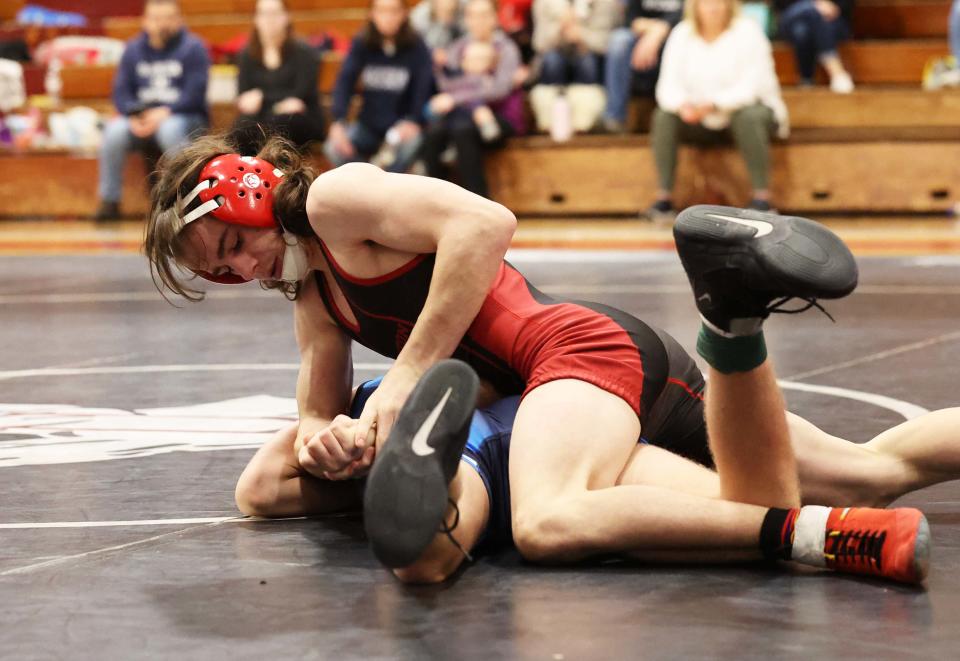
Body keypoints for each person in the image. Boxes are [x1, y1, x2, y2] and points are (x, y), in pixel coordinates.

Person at [145, 134, 958, 587]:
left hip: (570, 358)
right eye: (217, 270)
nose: (238, 268)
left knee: (545, 517)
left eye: (230, 242)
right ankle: (828, 510)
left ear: (250, 194)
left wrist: (407, 368)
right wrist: (326, 433)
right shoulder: (315, 296)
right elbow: (316, 410)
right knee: (869, 469)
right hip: (578, 387)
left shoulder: (333, 199)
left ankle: (807, 515)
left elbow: (486, 222)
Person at [648, 0, 787, 222]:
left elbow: (752, 86)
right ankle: (663, 199)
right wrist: (682, 106)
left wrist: (714, 104)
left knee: (749, 116)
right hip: (697, 118)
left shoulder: (748, 31)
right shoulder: (682, 34)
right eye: (706, 3)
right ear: (695, 6)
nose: (713, 7)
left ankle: (762, 198)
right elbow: (667, 87)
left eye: (719, 2)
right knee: (663, 116)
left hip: (745, 113)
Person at [94, 0, 209, 221]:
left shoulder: (194, 48)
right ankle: (110, 201)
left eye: (168, 18)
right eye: (156, 18)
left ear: (179, 20)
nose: (162, 24)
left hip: (183, 116)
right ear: (145, 22)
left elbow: (195, 95)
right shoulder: (133, 49)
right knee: (114, 131)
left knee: (170, 129)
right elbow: (121, 94)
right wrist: (133, 114)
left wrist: (165, 112)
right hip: (143, 117)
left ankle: (187, 197)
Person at [420, 0, 523, 198]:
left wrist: (456, 99)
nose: (478, 21)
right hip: (462, 115)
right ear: (466, 19)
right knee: (434, 134)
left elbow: (499, 89)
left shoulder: (506, 49)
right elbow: (446, 81)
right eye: (473, 16)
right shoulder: (458, 48)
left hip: (499, 117)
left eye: (484, 15)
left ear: (495, 18)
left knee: (462, 131)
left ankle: (479, 201)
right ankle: (436, 201)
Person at [323, 0, 433, 174]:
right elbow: (344, 82)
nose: (388, 17)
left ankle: (385, 184)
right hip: (368, 126)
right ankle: (367, 181)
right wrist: (339, 122)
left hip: (401, 127)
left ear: (404, 14)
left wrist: (413, 121)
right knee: (333, 147)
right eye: (382, 11)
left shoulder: (417, 47)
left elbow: (424, 90)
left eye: (394, 11)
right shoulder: (362, 43)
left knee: (414, 142)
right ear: (372, 14)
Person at [231, 0, 325, 156]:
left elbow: (300, 95)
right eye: (263, 14)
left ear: (286, 17)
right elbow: (244, 96)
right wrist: (274, 102)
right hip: (262, 118)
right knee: (241, 127)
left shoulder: (304, 53)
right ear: (256, 19)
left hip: (300, 117)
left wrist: (261, 97)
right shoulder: (246, 55)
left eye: (275, 13)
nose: (269, 19)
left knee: (284, 121)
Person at [601, 0, 684, 134]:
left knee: (682, 40)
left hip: (676, 36)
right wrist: (653, 32)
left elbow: (687, 16)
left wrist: (659, 33)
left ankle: (680, 116)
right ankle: (614, 119)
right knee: (619, 40)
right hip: (640, 40)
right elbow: (630, 20)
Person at [531, 0, 622, 86]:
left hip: (591, 56)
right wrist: (561, 30)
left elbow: (606, 43)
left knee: (587, 62)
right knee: (552, 61)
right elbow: (539, 44)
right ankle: (553, 99)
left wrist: (580, 35)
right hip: (555, 52)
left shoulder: (605, 3)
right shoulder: (545, 2)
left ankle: (588, 100)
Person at [775, 0, 854, 93]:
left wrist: (832, 6)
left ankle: (806, 79)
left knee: (802, 32)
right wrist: (815, 5)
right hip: (792, 17)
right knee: (812, 11)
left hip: (831, 20)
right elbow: (780, 5)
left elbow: (847, 4)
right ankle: (836, 71)